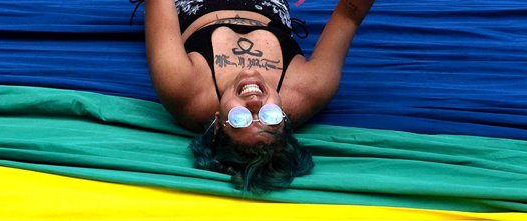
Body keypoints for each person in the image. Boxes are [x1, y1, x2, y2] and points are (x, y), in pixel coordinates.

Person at [143, 0, 375, 192]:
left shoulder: (184, 90)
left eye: (240, 119)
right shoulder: (309, 87)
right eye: (270, 115)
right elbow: (349, 14)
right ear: (284, 119)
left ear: (216, 125)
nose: (254, 103)